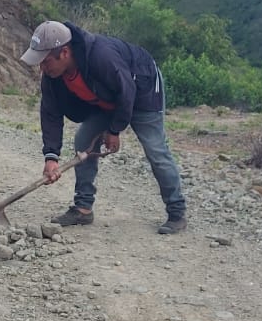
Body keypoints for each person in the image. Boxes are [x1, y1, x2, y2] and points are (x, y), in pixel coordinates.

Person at [20, 20, 187, 235]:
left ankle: (176, 213)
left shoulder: (101, 57)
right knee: (83, 140)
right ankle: (83, 209)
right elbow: (50, 114)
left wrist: (114, 130)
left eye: (45, 61)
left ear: (64, 53)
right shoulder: (53, 76)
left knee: (156, 150)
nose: (42, 68)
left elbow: (127, 91)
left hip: (141, 90)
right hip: (106, 98)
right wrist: (51, 157)